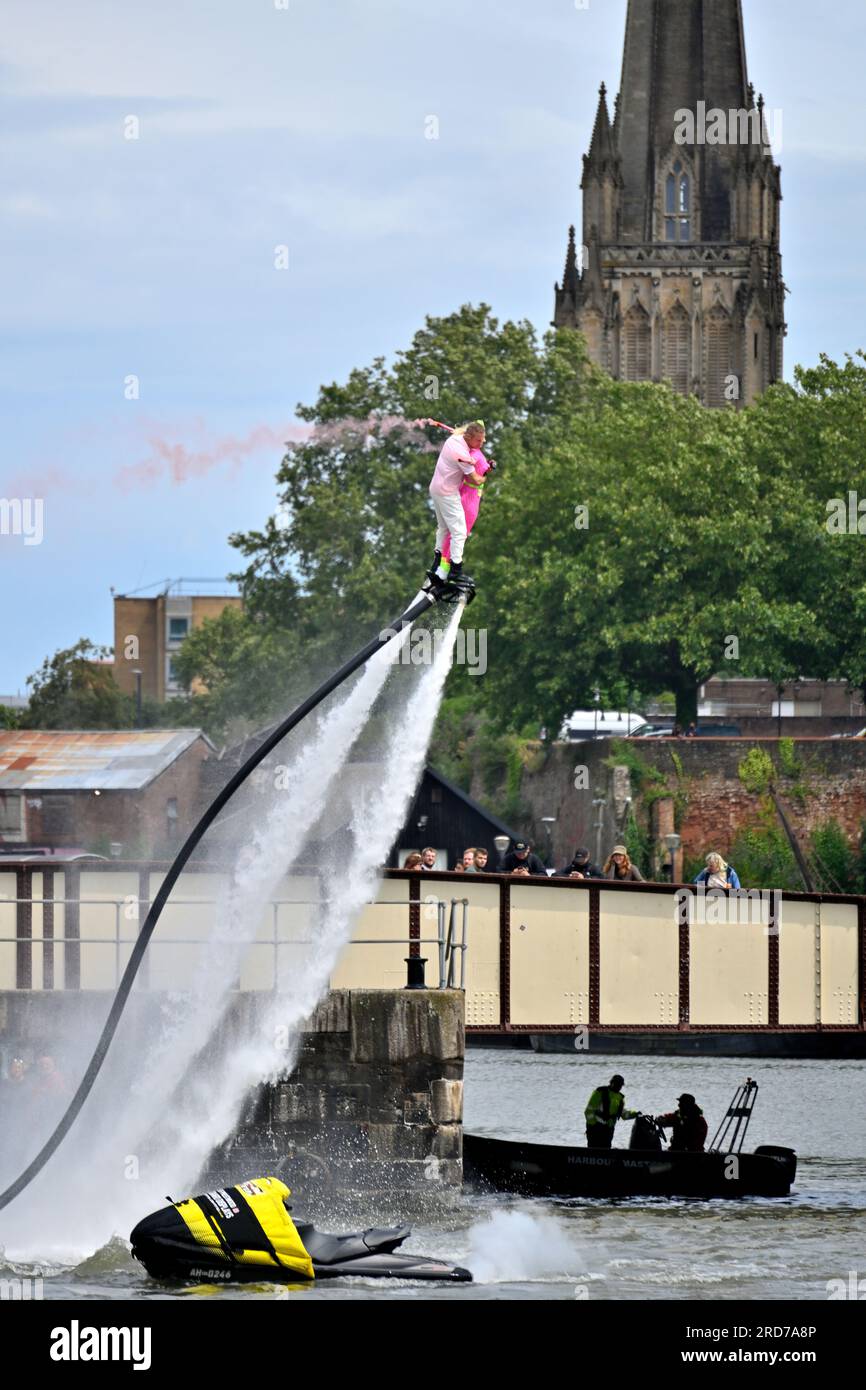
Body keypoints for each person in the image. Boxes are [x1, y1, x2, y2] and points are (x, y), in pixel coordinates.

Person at [426, 422, 487, 590]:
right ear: (468, 438)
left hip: (435, 489)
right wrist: (484, 478)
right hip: (447, 492)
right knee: (459, 532)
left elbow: (462, 437)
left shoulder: (455, 439)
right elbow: (475, 479)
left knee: (443, 528)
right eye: (479, 441)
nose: (482, 444)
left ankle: (437, 565)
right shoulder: (462, 455)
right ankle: (455, 570)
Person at [440, 432, 494, 577]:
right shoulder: (473, 455)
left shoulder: (472, 452)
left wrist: (488, 467)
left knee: (455, 532)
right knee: (460, 533)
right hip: (470, 498)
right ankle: (448, 569)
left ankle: (443, 567)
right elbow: (476, 474)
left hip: (466, 494)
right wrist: (483, 474)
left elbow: (479, 468)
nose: (484, 441)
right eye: (481, 438)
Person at [584, 1074, 638, 1149]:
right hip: (595, 1129)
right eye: (617, 1085)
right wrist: (593, 1125)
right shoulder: (600, 1092)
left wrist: (636, 1114)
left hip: (608, 1130)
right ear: (612, 1083)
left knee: (606, 1152)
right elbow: (588, 1111)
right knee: (594, 1151)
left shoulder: (620, 1098)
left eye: (620, 1085)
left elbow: (623, 1114)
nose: (619, 1087)